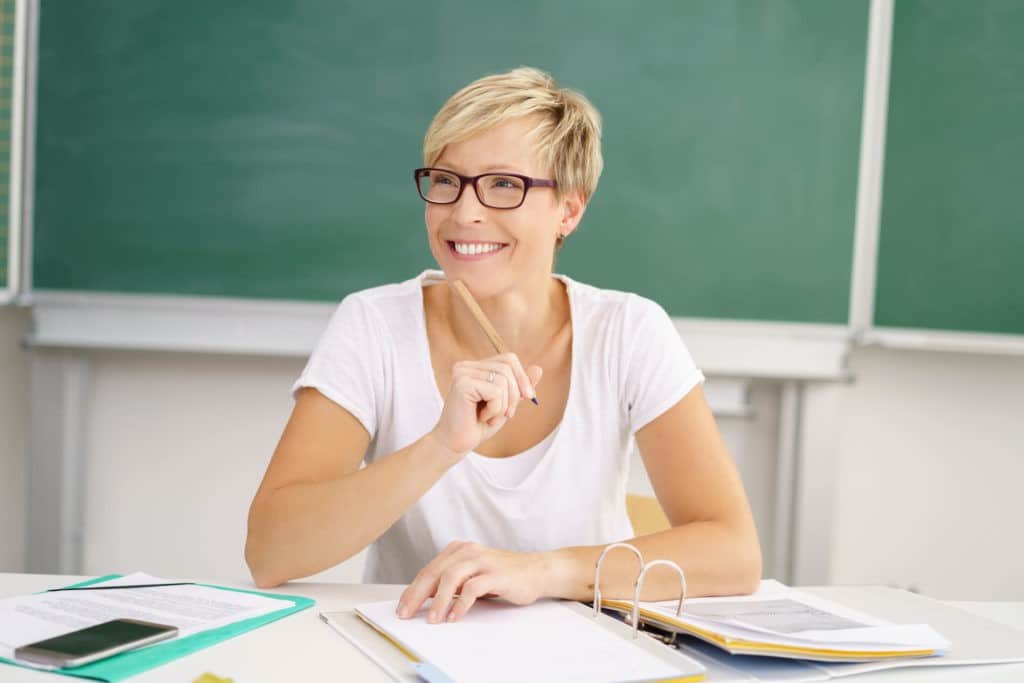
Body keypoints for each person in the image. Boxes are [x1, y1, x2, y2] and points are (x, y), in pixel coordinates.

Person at [245, 67, 761, 623]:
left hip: (588, 652)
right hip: (416, 649)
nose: (464, 212)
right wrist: (441, 446)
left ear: (569, 209)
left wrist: (540, 572)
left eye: (503, 185)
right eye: (446, 180)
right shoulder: (372, 324)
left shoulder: (628, 331)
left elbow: (733, 552)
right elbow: (271, 553)